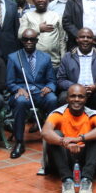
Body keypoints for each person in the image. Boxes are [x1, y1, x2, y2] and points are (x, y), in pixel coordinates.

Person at [42, 84, 96, 193]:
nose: (77, 99)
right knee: (55, 134)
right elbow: (45, 132)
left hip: (85, 159)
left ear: (86, 99)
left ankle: (86, 180)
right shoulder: (58, 113)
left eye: (80, 96)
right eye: (73, 96)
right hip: (63, 158)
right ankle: (67, 181)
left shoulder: (92, 114)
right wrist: (64, 143)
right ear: (67, 98)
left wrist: (79, 139)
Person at [7, 28, 58, 158]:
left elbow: (52, 80)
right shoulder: (14, 57)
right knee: (20, 102)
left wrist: (49, 87)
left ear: (36, 40)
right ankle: (19, 142)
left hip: (40, 92)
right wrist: (17, 89)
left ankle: (52, 138)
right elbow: (10, 82)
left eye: (31, 39)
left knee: (52, 99)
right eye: (26, 39)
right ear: (22, 41)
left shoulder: (45, 57)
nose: (29, 42)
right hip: (23, 92)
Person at [57, 28, 96, 123]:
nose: (85, 39)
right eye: (82, 37)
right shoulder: (68, 56)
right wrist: (76, 88)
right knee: (63, 97)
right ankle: (68, 127)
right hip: (75, 92)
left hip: (95, 92)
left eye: (89, 37)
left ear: (93, 40)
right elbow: (60, 79)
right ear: (77, 39)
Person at [18, 0, 65, 69]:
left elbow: (62, 39)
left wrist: (64, 60)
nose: (40, 0)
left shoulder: (56, 16)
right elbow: (20, 35)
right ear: (33, 0)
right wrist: (38, 28)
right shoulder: (27, 16)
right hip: (33, 62)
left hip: (54, 61)